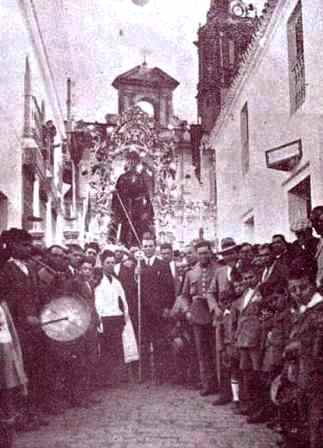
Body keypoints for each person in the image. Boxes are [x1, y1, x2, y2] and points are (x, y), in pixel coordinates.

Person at [285, 260, 323, 448]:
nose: (298, 293)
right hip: (302, 375)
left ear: (313, 285)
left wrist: (298, 346)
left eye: (303, 288)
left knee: (317, 423)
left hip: (317, 377)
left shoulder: (319, 310)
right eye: (293, 289)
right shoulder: (300, 310)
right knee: (305, 419)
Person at [182, 240, 219, 396]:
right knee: (202, 352)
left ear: (211, 253)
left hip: (214, 315)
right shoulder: (191, 273)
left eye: (206, 252)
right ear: (196, 255)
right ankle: (207, 384)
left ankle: (219, 385)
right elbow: (183, 296)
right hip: (197, 316)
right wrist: (187, 312)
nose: (203, 256)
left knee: (216, 351)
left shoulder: (219, 269)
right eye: (200, 253)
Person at [139, 235, 176, 383]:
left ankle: (160, 374)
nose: (148, 248)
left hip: (158, 310)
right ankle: (146, 373)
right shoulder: (138, 264)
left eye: (150, 246)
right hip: (143, 311)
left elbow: (169, 288)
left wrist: (167, 307)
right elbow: (134, 288)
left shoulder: (162, 264)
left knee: (159, 342)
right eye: (145, 246)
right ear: (142, 248)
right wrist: (136, 275)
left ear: (155, 247)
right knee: (144, 342)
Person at [208, 237, 239, 405]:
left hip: (238, 319)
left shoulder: (242, 270)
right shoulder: (220, 272)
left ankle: (239, 396)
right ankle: (225, 392)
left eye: (232, 253)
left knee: (237, 356)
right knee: (222, 355)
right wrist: (215, 308)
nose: (229, 257)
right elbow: (210, 292)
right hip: (222, 318)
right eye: (226, 254)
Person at [95, 250, 129, 386]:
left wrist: (124, 315)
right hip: (104, 318)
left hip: (116, 317)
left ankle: (116, 377)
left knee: (116, 348)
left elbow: (123, 300)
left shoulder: (116, 281)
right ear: (102, 264)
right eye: (107, 263)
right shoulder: (98, 281)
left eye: (112, 263)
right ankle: (105, 378)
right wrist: (99, 319)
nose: (110, 265)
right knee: (106, 349)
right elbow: (97, 301)